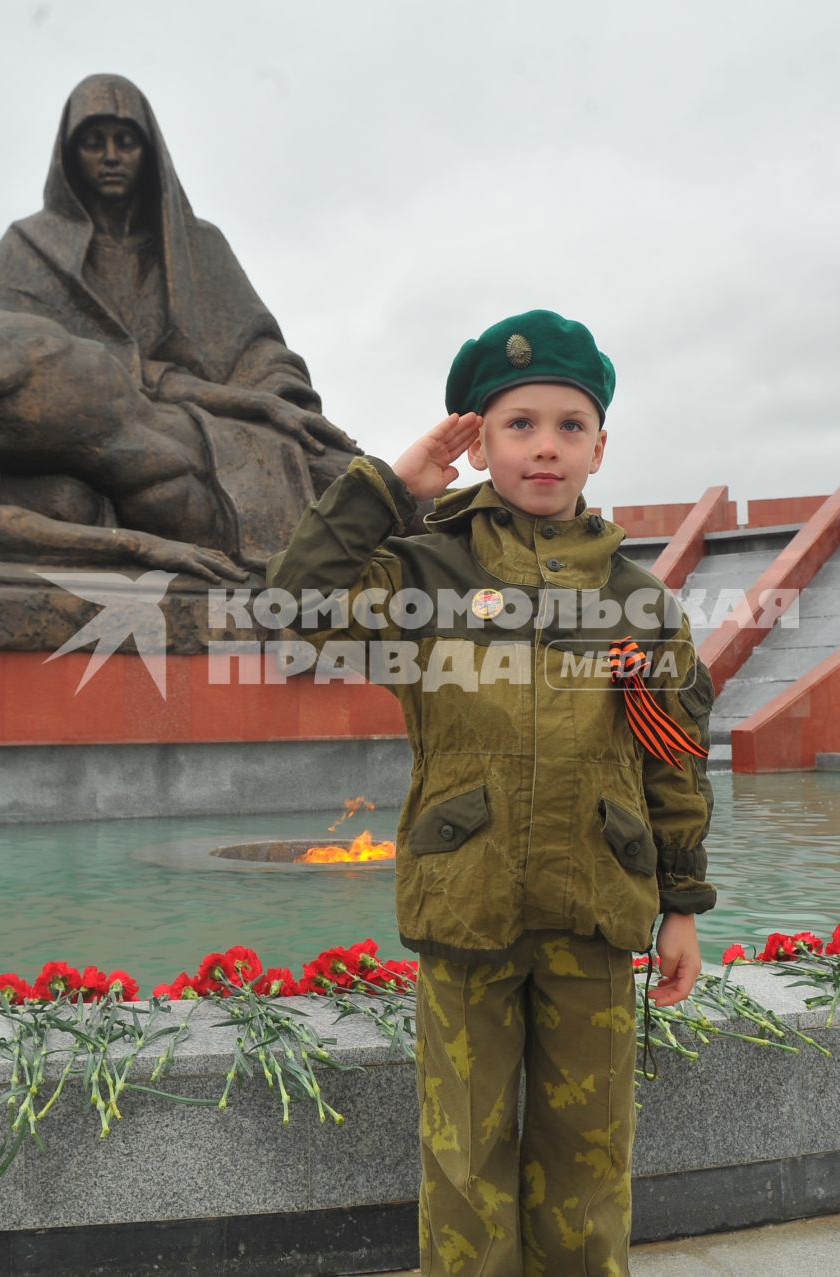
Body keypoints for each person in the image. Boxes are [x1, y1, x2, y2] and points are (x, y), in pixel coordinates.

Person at [266, 310, 717, 1274]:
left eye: (568, 424)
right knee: (463, 1156)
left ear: (600, 445)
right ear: (479, 439)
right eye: (518, 424)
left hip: (595, 905)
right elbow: (291, 609)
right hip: (466, 904)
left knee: (590, 1158)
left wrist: (681, 902)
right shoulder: (426, 572)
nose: (545, 445)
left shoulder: (640, 599)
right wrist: (387, 488)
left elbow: (673, 762)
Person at [0, 271, 345, 578]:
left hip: (240, 443)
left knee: (407, 500)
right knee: (409, 517)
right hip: (209, 514)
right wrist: (142, 548)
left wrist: (261, 405)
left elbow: (143, 379)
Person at [0, 74, 354, 491]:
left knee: (351, 480)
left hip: (209, 421)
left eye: (125, 142)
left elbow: (257, 351)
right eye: (94, 142)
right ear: (69, 155)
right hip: (92, 432)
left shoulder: (200, 246)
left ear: (149, 154)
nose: (111, 156)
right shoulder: (30, 247)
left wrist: (276, 396)